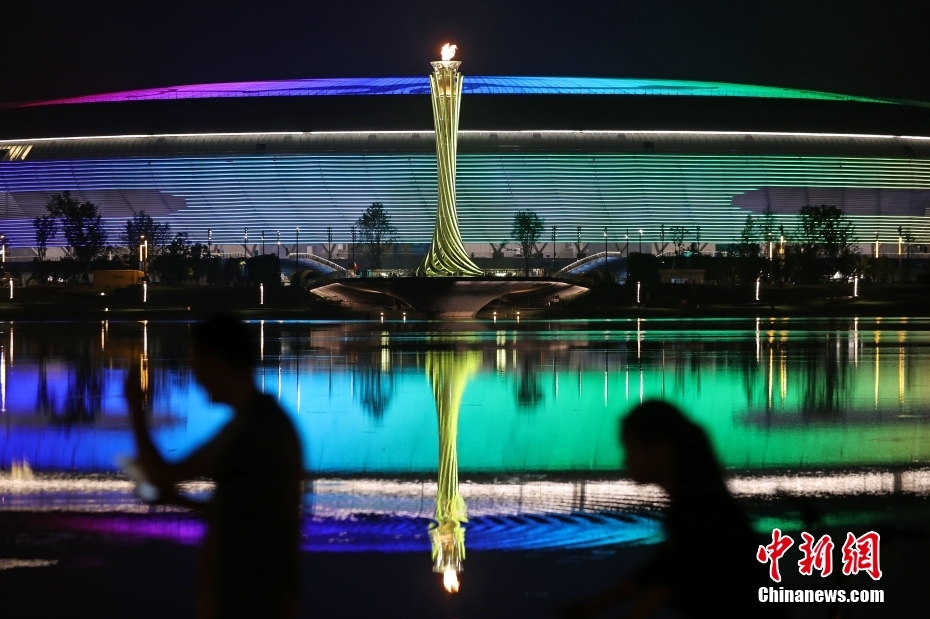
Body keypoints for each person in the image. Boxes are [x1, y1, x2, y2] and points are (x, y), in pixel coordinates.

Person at [125, 314, 304, 619]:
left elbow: (161, 475)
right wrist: (178, 500)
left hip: (247, 596)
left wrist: (135, 409)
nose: (195, 376)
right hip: (265, 592)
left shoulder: (250, 430)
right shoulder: (268, 422)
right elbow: (249, 511)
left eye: (196, 363)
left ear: (215, 361)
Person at [561, 400, 785, 619]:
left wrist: (595, 608)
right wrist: (593, 607)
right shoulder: (701, 502)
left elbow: (667, 580)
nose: (625, 460)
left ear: (660, 450)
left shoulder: (697, 511)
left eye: (630, 448)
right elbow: (660, 572)